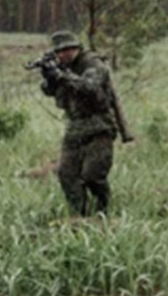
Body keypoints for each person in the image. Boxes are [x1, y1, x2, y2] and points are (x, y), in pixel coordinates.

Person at [39, 31, 118, 215]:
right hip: (75, 127)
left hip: (99, 126)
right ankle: (79, 213)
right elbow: (49, 91)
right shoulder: (62, 66)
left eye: (65, 51)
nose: (61, 55)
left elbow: (89, 87)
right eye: (58, 52)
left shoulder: (92, 63)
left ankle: (103, 209)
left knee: (93, 175)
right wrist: (49, 77)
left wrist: (61, 75)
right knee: (66, 174)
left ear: (75, 49)